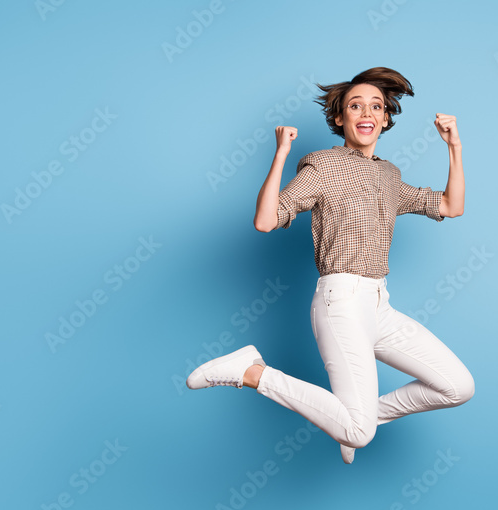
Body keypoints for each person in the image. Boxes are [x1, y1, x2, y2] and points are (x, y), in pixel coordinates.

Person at [187, 66, 474, 464]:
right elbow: (266, 220)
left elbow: (449, 206)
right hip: (340, 303)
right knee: (360, 433)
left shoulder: (389, 176)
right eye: (355, 106)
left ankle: (349, 420)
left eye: (376, 105)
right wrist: (282, 154)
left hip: (379, 306)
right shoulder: (324, 165)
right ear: (340, 118)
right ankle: (251, 372)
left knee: (458, 386)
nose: (366, 112)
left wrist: (454, 146)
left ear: (386, 118)